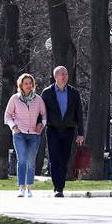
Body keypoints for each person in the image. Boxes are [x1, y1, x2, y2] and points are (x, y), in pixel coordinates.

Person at [41, 66, 84, 197]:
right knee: (55, 159)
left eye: (66, 74)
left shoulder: (74, 93)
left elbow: (79, 114)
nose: (64, 76)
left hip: (69, 130)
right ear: (55, 77)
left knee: (64, 159)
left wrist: (81, 133)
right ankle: (57, 188)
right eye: (61, 74)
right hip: (53, 130)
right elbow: (42, 113)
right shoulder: (47, 93)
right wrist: (39, 125)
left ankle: (61, 186)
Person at [4, 73, 47, 198]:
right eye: (26, 83)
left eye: (30, 83)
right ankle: (21, 188)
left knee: (31, 161)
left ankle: (29, 188)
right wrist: (13, 126)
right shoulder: (15, 99)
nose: (28, 85)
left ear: (33, 85)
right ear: (21, 85)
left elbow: (44, 115)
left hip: (34, 134)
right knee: (22, 160)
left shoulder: (38, 99)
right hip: (19, 134)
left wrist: (41, 124)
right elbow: (7, 116)